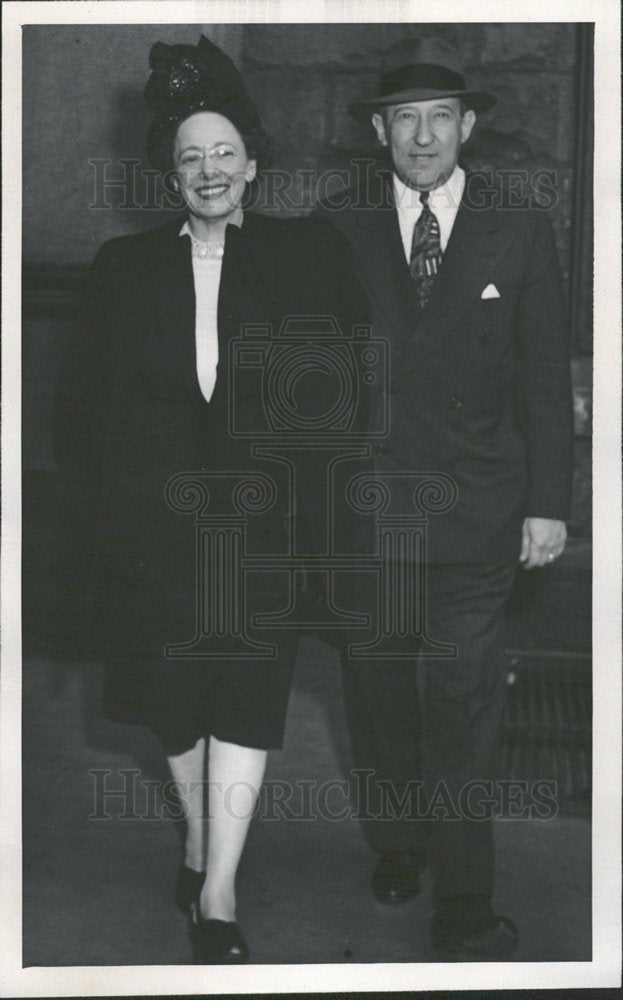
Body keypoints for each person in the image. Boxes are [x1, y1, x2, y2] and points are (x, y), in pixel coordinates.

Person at [54, 35, 367, 965]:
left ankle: (219, 890)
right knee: (174, 708)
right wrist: (103, 526)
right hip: (153, 533)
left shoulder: (305, 256)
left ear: (254, 165)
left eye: (224, 152)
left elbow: (349, 386)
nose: (208, 170)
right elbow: (80, 414)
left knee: (244, 696)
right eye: (189, 156)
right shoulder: (123, 268)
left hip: (265, 529)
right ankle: (197, 835)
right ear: (170, 175)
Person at [317, 36, 574, 958]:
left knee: (463, 707)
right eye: (403, 120)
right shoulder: (335, 224)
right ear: (379, 131)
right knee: (380, 694)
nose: (421, 136)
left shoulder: (518, 225)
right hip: (368, 511)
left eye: (439, 118)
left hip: (477, 514)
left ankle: (464, 903)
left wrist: (548, 504)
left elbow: (544, 380)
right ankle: (397, 842)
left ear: (466, 127)